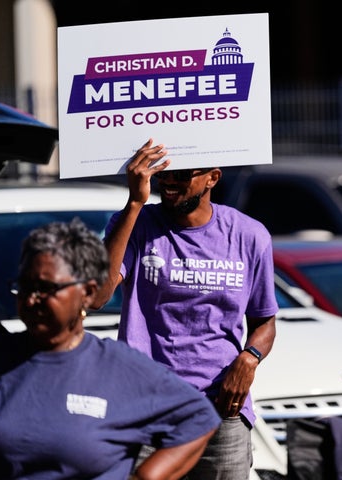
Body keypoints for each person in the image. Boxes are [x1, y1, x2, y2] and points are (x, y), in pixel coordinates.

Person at [0, 218, 220, 480]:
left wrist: (146, 476)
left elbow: (198, 418)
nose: (30, 300)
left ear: (87, 292)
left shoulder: (120, 368)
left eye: (45, 289)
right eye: (24, 287)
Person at [92, 139, 279, 479]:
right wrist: (135, 201)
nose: (169, 180)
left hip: (221, 411)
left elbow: (265, 321)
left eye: (182, 173)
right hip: (143, 408)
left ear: (213, 178)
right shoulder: (135, 224)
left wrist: (249, 357)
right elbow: (96, 296)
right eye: (163, 172)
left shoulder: (250, 235)